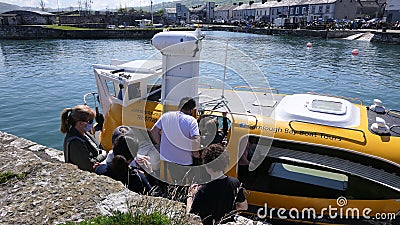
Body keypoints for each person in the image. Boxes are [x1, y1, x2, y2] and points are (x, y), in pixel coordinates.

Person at [186, 144, 248, 225]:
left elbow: (190, 217)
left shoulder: (202, 190)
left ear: (206, 166)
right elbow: (243, 207)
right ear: (225, 163)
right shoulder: (235, 183)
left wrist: (190, 196)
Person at [150, 97, 200, 184]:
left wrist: (161, 145)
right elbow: (196, 139)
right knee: (185, 183)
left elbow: (154, 131)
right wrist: (196, 154)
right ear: (191, 109)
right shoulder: (192, 121)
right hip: (184, 160)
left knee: (171, 181)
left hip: (167, 158)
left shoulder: (166, 116)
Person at [60, 105, 106, 172]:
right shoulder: (75, 143)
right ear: (80, 123)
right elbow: (89, 165)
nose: (92, 123)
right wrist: (103, 155)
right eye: (90, 121)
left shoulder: (83, 132)